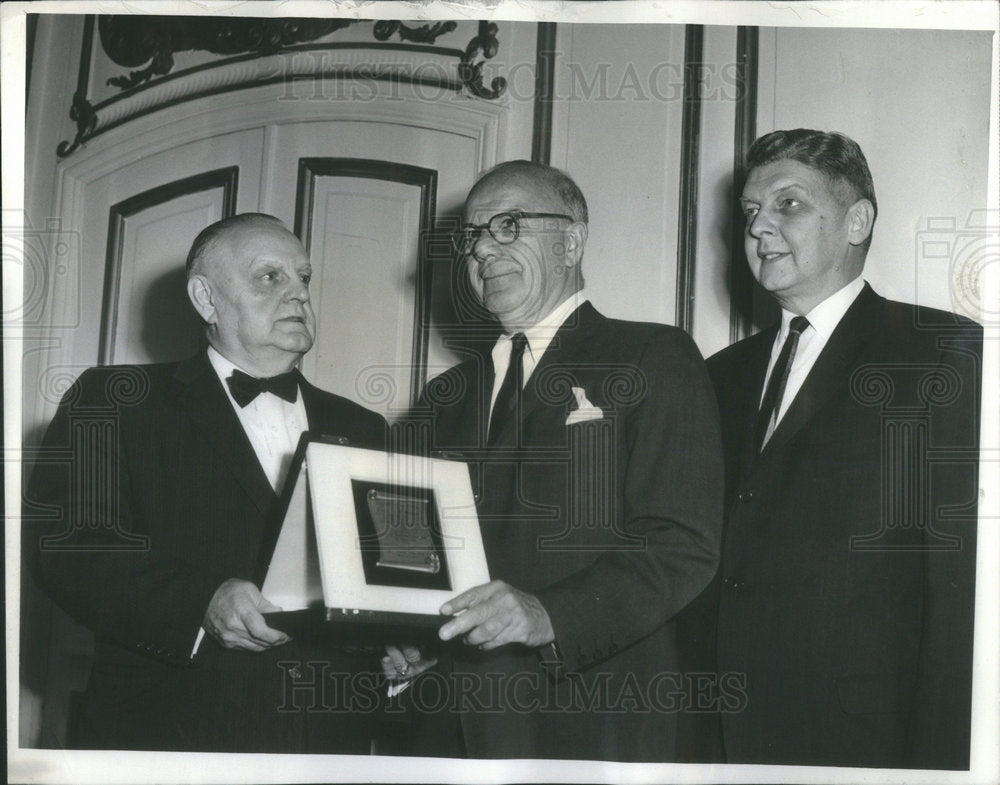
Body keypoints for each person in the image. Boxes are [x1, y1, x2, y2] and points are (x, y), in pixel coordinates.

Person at [385, 160, 724, 761]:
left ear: (571, 239)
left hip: (591, 719)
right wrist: (409, 636)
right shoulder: (442, 398)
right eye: (472, 235)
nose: (482, 248)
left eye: (508, 225)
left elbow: (681, 543)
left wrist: (550, 615)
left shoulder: (651, 356)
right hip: (448, 728)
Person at [26, 213, 387, 752]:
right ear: (206, 299)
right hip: (167, 732)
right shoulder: (115, 399)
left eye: (304, 277)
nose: (299, 295)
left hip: (330, 739)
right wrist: (200, 601)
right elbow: (68, 547)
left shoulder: (363, 426)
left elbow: (376, 574)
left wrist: (398, 638)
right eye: (271, 277)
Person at [682, 130, 981, 768]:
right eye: (750, 211)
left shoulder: (942, 352)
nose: (759, 227)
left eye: (787, 204)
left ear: (857, 220)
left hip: (868, 740)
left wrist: (945, 763)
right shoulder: (719, 375)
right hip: (720, 734)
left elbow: (961, 585)